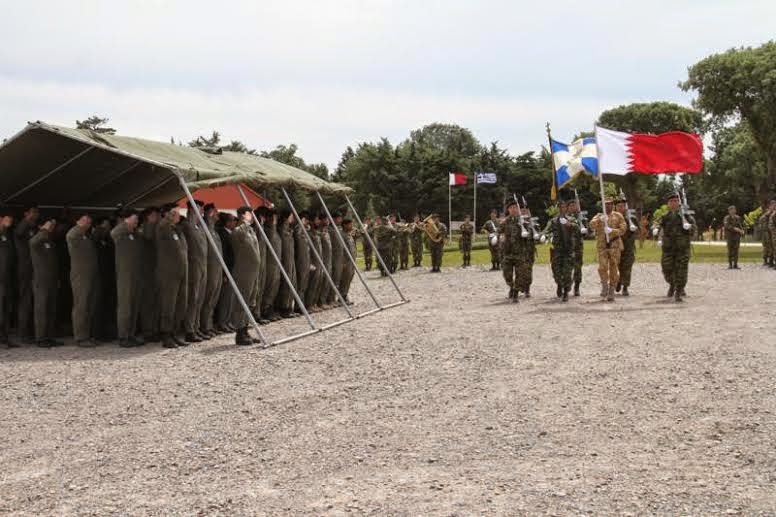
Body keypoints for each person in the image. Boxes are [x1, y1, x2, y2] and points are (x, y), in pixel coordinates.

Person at [111, 208, 145, 347]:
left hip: (136, 274)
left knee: (134, 304)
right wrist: (127, 224)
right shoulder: (120, 232)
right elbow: (113, 232)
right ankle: (123, 336)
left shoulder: (134, 233)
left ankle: (131, 334)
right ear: (126, 219)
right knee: (125, 305)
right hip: (125, 275)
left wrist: (134, 229)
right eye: (134, 218)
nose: (137, 221)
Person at [155, 205, 188, 348]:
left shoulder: (175, 228)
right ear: (168, 214)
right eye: (176, 213)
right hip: (169, 273)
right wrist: (168, 220)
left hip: (180, 272)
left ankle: (175, 333)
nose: (179, 215)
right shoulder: (164, 227)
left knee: (180, 304)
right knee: (169, 305)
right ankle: (166, 334)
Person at [66, 212, 99, 347]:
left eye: (89, 220)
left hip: (90, 274)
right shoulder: (74, 233)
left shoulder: (86, 235)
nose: (88, 222)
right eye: (85, 220)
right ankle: (80, 337)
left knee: (89, 305)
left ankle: (87, 334)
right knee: (81, 305)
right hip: (81, 275)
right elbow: (71, 236)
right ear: (77, 221)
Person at [231, 206, 262, 346]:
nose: (253, 216)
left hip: (253, 271)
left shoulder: (250, 230)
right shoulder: (239, 230)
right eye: (250, 213)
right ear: (243, 215)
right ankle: (239, 333)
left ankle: (245, 330)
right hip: (243, 271)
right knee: (242, 302)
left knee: (250, 301)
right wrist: (244, 222)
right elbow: (239, 235)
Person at [30, 217, 62, 347]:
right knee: (41, 309)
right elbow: (32, 242)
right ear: (40, 227)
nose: (51, 227)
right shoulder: (38, 239)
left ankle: (49, 336)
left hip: (52, 279)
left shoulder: (49, 239)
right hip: (41, 280)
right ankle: (40, 338)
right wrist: (44, 230)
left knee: (51, 308)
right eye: (48, 225)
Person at [658, 193, 696, 302]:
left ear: (678, 203)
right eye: (671, 201)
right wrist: (657, 235)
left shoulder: (686, 216)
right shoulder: (665, 216)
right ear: (668, 204)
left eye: (675, 201)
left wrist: (689, 227)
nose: (673, 203)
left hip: (682, 248)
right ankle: (672, 284)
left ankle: (678, 291)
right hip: (668, 249)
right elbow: (658, 226)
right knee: (667, 269)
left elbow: (694, 230)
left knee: (681, 271)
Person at [180, 200, 209, 343]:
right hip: (193, 267)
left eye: (201, 209)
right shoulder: (186, 225)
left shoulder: (199, 227)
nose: (201, 212)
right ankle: (189, 330)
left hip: (203, 266)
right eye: (198, 209)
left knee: (200, 299)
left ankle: (196, 328)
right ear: (191, 210)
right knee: (193, 298)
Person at [590, 198, 626, 302]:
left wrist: (612, 231)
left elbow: (623, 229)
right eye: (606, 204)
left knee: (614, 267)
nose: (608, 206)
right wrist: (599, 220)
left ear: (613, 205)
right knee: (602, 267)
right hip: (602, 246)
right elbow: (591, 225)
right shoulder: (599, 215)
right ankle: (604, 285)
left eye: (610, 204)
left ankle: (612, 289)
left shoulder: (618, 216)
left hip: (614, 245)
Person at [14, 205, 39, 343]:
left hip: (34, 267)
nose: (35, 215)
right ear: (26, 213)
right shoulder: (21, 227)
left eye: (37, 213)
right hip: (24, 267)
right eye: (33, 212)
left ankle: (30, 331)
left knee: (33, 299)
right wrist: (27, 221)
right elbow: (18, 233)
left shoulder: (32, 228)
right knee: (25, 299)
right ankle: (23, 333)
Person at [200, 203, 223, 337]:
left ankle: (209, 324)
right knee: (207, 298)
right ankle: (204, 325)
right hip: (210, 269)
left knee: (213, 298)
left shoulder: (213, 230)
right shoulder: (205, 229)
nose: (217, 214)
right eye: (215, 212)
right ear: (210, 213)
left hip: (217, 268)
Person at [93, 217, 117, 341]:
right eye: (104, 226)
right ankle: (99, 333)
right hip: (100, 276)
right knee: (100, 305)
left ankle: (107, 332)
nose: (107, 229)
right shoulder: (96, 238)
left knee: (108, 305)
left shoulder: (106, 239)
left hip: (108, 275)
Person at [548, 198, 576, 302]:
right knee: (556, 272)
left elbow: (578, 229)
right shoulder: (553, 221)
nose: (562, 209)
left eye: (564, 207)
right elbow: (547, 230)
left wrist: (570, 225)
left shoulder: (571, 219)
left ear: (566, 208)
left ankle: (565, 292)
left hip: (568, 250)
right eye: (560, 207)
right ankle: (559, 284)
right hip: (557, 251)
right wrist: (545, 236)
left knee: (567, 272)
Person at [139, 207, 160, 342]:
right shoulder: (146, 228)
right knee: (148, 303)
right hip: (146, 271)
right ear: (148, 217)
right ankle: (148, 331)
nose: (156, 217)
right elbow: (149, 237)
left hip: (154, 269)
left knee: (155, 302)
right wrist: (152, 225)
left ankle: (153, 329)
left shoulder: (155, 227)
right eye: (154, 215)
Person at [499, 200, 527, 302]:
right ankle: (511, 286)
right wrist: (500, 237)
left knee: (520, 274)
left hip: (519, 253)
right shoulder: (505, 221)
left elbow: (530, 235)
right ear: (508, 210)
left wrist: (525, 229)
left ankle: (515, 292)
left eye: (515, 207)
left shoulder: (522, 221)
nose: (513, 209)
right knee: (507, 275)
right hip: (507, 253)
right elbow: (499, 232)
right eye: (511, 208)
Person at [215, 212, 237, 332]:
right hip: (227, 270)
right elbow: (225, 256)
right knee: (225, 298)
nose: (235, 222)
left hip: (233, 269)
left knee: (230, 298)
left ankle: (228, 320)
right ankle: (222, 322)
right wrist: (225, 273)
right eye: (233, 220)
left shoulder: (230, 234)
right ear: (227, 223)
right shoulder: (223, 235)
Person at [275, 209, 297, 318]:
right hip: (285, 260)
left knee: (292, 282)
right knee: (286, 284)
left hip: (290, 259)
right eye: (291, 216)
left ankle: (288, 306)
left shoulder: (288, 230)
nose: (292, 219)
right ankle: (284, 307)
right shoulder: (282, 230)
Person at [261, 207, 282, 321]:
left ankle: (270, 308)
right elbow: (272, 240)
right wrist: (273, 225)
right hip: (270, 263)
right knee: (268, 287)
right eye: (274, 217)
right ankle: (265, 309)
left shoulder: (274, 230)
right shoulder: (267, 230)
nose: (276, 219)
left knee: (274, 287)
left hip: (276, 263)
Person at [615, 197, 638, 296]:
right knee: (617, 266)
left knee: (627, 267)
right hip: (616, 246)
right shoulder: (613, 218)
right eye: (619, 206)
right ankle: (618, 281)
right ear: (616, 207)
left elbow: (638, 230)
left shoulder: (631, 218)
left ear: (626, 207)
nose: (621, 208)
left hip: (628, 247)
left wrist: (634, 228)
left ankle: (625, 287)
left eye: (623, 206)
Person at [0, 212, 16, 347]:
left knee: (6, 308)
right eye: (7, 217)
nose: (10, 220)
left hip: (7, 277)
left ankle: (4, 338)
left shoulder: (7, 234)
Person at [293, 211, 312, 315]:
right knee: (300, 284)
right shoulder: (298, 230)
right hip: (300, 260)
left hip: (305, 260)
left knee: (304, 284)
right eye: (306, 220)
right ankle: (298, 306)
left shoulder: (304, 230)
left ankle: (302, 304)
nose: (307, 222)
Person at [566, 199, 585, 296]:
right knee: (568, 267)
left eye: (575, 205)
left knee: (578, 268)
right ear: (567, 207)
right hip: (568, 247)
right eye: (571, 206)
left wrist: (584, 228)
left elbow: (587, 231)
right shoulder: (564, 218)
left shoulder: (582, 217)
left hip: (578, 246)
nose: (573, 207)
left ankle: (577, 287)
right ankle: (567, 284)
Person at [339, 218, 357, 304]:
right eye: (350, 224)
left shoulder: (349, 235)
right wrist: (343, 261)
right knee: (344, 279)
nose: (352, 226)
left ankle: (345, 295)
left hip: (351, 261)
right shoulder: (342, 235)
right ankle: (342, 297)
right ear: (345, 225)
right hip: (346, 261)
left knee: (349, 278)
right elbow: (341, 249)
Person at [317, 214, 333, 309]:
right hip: (322, 260)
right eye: (326, 220)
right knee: (321, 281)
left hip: (329, 260)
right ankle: (319, 301)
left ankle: (324, 300)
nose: (328, 222)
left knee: (328, 280)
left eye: (328, 220)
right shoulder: (319, 233)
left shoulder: (326, 232)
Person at [327, 212, 344, 303]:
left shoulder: (339, 229)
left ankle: (333, 298)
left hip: (339, 257)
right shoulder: (330, 230)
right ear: (333, 219)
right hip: (333, 258)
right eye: (338, 218)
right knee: (333, 278)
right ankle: (329, 299)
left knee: (337, 278)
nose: (340, 220)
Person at [723, 205, 745, 269]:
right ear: (729, 211)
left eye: (734, 209)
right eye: (732, 210)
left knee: (736, 250)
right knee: (730, 250)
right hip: (730, 236)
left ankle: (735, 264)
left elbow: (741, 226)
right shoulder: (726, 218)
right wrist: (735, 229)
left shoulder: (738, 218)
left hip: (737, 237)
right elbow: (727, 226)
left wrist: (742, 231)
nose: (733, 211)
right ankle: (730, 264)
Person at [759, 202, 774, 267]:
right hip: (766, 232)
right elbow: (760, 220)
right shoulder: (766, 213)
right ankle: (766, 260)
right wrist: (766, 214)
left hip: (773, 232)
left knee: (773, 247)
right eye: (773, 205)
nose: (774, 207)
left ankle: (771, 260)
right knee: (767, 246)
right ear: (770, 206)